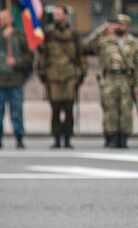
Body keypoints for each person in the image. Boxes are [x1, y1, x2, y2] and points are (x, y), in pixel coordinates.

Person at [0, 9, 33, 149]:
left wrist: (16, 62)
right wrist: (2, 37)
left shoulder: (20, 36)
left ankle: (19, 137)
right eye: (0, 18)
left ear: (11, 18)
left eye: (5, 18)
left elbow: (29, 57)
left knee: (17, 112)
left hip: (15, 80)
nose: (2, 21)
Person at [84, 14, 138, 149]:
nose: (118, 26)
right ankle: (111, 137)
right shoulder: (104, 41)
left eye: (121, 24)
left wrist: (136, 84)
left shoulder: (134, 43)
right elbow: (86, 45)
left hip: (126, 80)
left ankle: (124, 138)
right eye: (116, 24)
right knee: (110, 109)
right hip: (109, 79)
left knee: (126, 110)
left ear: (127, 26)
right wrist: (101, 30)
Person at [38, 5, 88, 149]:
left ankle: (67, 138)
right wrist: (41, 72)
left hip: (69, 76)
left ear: (66, 15)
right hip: (53, 76)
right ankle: (56, 138)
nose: (56, 16)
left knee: (68, 109)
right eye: (55, 14)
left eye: (59, 14)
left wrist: (83, 73)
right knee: (55, 110)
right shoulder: (48, 33)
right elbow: (43, 55)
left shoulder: (74, 34)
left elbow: (80, 55)